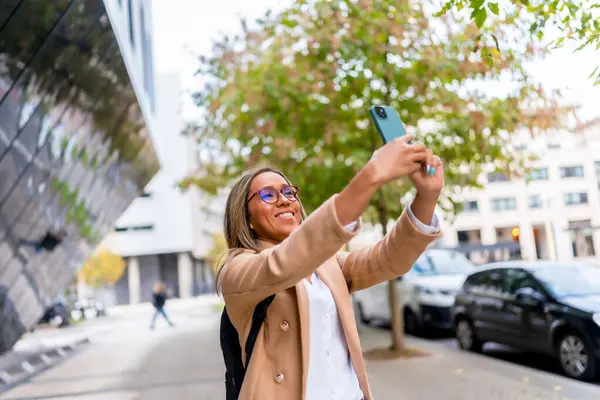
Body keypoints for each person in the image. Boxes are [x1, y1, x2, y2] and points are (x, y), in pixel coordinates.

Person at [218, 134, 444, 400]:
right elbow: (283, 263)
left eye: (289, 191)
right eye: (268, 194)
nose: (284, 199)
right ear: (246, 218)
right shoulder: (237, 272)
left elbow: (387, 260)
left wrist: (427, 196)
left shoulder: (327, 264)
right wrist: (371, 175)